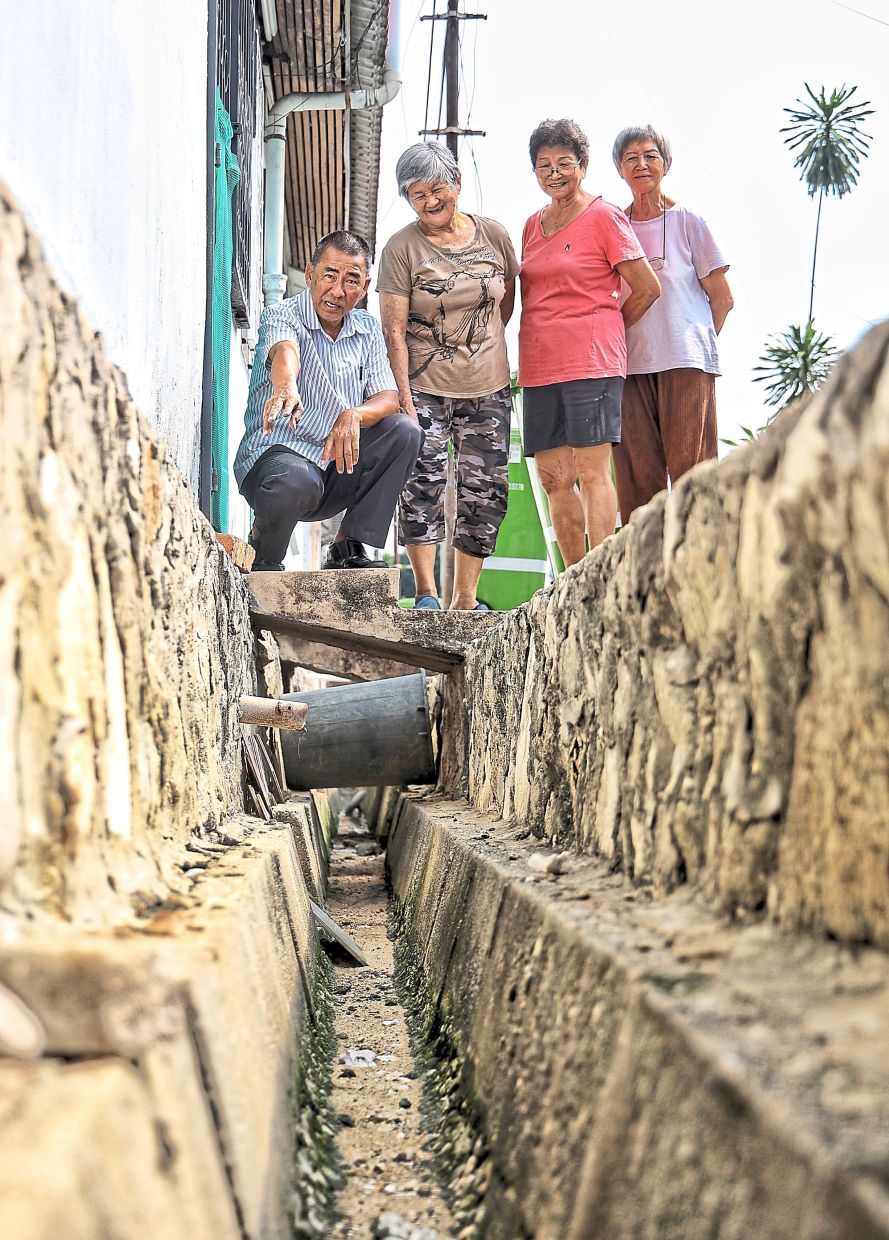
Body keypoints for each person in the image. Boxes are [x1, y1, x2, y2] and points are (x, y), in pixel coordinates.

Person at [378, 141, 519, 610]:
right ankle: (425, 593)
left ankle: (465, 598)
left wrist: (484, 352)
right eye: (417, 194)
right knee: (423, 481)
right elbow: (393, 331)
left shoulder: (495, 235)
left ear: (456, 181)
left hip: (490, 387)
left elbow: (506, 302)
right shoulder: (401, 248)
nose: (430, 200)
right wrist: (405, 400)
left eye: (437, 187)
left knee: (486, 489)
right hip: (425, 388)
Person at [233, 230, 421, 572]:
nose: (338, 291)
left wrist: (355, 414)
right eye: (329, 276)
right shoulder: (283, 315)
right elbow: (284, 350)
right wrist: (286, 386)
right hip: (277, 465)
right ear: (309, 275)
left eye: (351, 280)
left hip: (334, 466)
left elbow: (389, 398)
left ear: (364, 288)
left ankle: (348, 545)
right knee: (295, 481)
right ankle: (264, 557)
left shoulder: (366, 329)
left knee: (405, 430)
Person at [518, 118, 661, 567]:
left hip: (592, 361)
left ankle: (598, 574)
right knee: (553, 477)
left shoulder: (604, 216)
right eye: (544, 165)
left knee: (590, 471)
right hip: (539, 365)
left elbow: (647, 287)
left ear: (583, 165)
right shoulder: (530, 226)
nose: (554, 173)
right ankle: (571, 578)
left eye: (564, 163)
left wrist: (608, 327)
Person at [611, 124, 734, 522]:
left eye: (649, 156)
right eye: (631, 158)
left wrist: (691, 340)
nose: (641, 164)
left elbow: (723, 298)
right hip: (628, 364)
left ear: (666, 163)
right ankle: (643, 575)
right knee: (637, 479)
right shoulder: (613, 225)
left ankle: (700, 562)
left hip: (686, 361)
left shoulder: (689, 222)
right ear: (619, 169)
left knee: (692, 471)